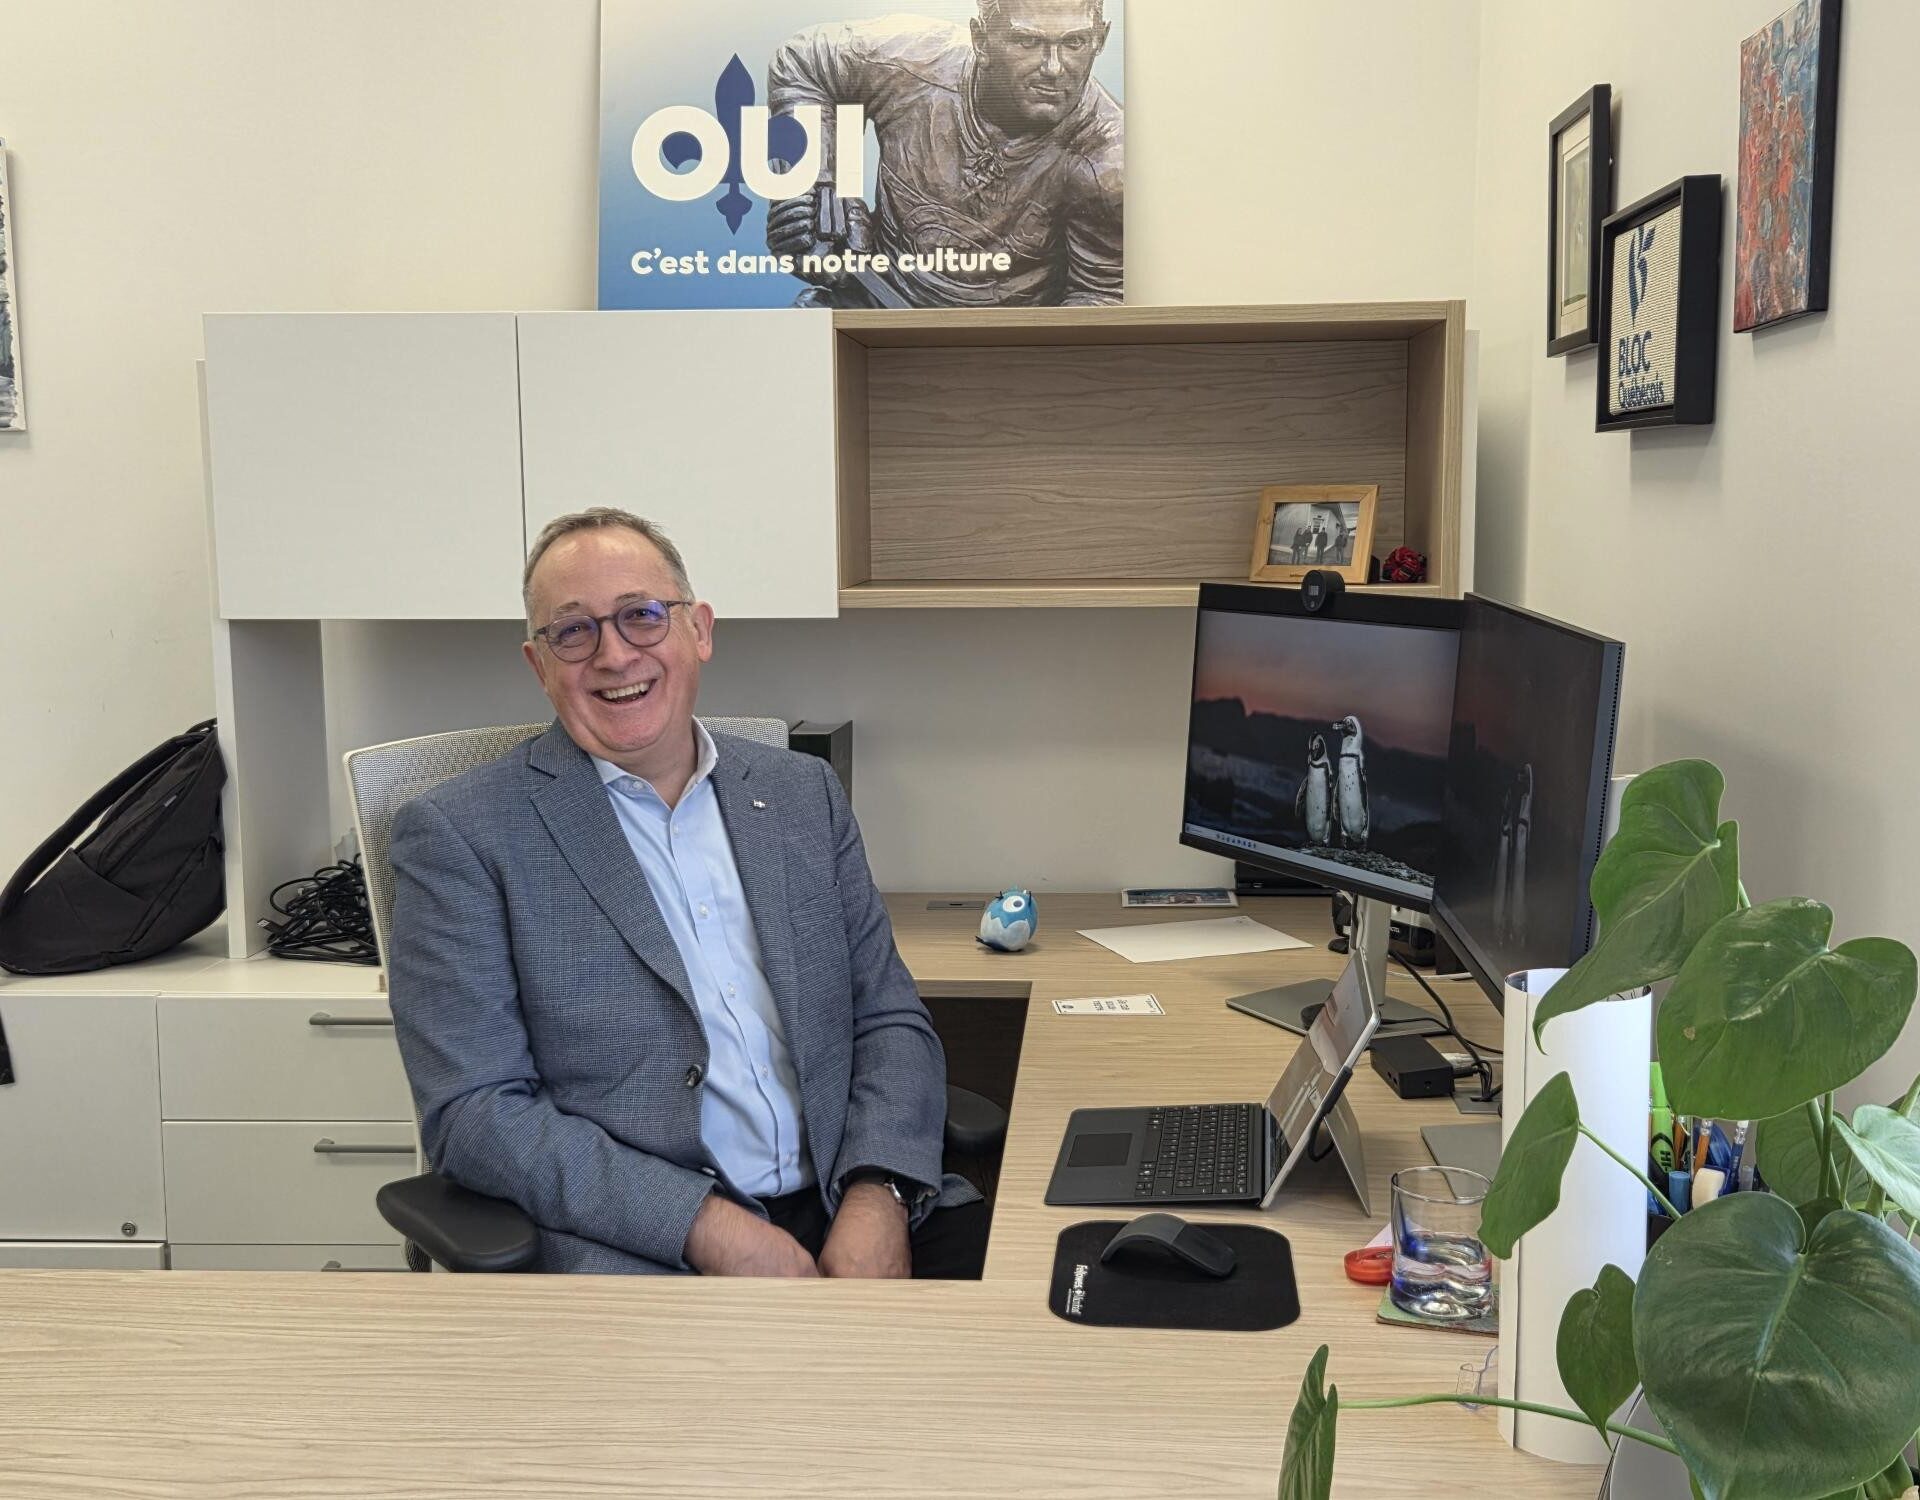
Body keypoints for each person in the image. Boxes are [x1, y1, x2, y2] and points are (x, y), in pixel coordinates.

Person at [386, 508, 986, 1278]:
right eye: (574, 633)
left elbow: (887, 1015)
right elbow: (474, 1115)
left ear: (698, 631)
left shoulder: (801, 791)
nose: (613, 655)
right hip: (647, 1244)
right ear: (539, 666)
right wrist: (706, 1228)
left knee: (1057, 1345)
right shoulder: (459, 835)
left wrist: (880, 1194)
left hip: (851, 1200)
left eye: (641, 616)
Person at [765, 0, 1123, 308]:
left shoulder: (1109, 162)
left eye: (1075, 42)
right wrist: (818, 188)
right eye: (1027, 41)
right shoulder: (911, 60)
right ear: (981, 40)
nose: (1054, 68)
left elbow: (1099, 298)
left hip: (1000, 344)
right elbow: (804, 59)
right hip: (870, 296)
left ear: (1101, 39)